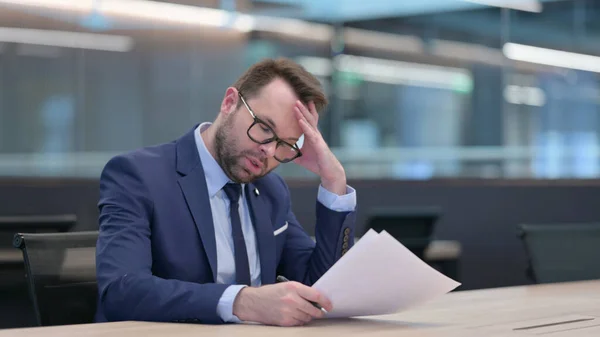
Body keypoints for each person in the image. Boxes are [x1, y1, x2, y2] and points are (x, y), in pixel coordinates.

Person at [94, 58, 357, 327]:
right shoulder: (138, 175)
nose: (268, 151)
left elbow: (320, 289)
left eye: (284, 144)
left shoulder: (270, 191)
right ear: (230, 102)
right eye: (265, 128)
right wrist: (242, 302)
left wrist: (333, 180)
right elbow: (121, 292)